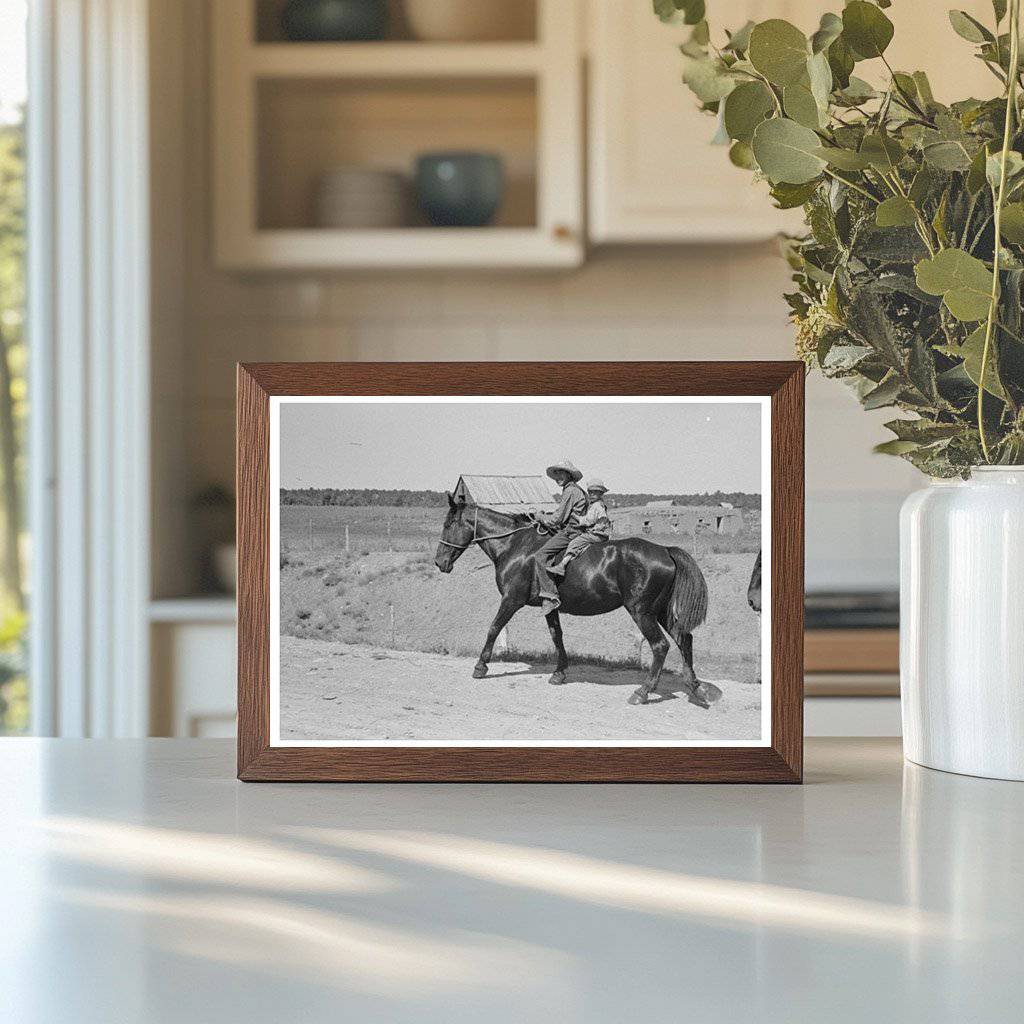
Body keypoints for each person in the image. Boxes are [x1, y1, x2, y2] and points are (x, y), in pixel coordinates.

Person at [531, 459, 588, 614]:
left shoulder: (570, 491)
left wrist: (540, 517)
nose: (558, 477)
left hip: (572, 531)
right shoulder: (575, 489)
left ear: (569, 474)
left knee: (540, 555)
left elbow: (557, 519)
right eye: (556, 474)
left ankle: (550, 596)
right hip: (578, 529)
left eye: (561, 473)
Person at [548, 479, 612, 577]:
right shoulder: (600, 505)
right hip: (602, 533)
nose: (591, 495)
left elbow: (588, 521)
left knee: (575, 543)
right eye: (590, 492)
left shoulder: (596, 506)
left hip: (596, 534)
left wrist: (575, 516)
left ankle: (562, 565)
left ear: (600, 494)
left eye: (595, 493)